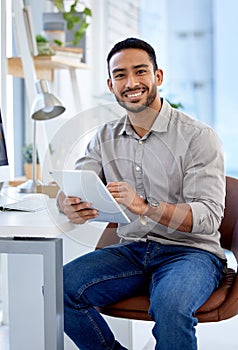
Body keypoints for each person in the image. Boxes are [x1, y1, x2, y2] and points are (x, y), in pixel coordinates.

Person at [58, 38, 227, 350]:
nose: (131, 82)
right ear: (111, 84)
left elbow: (208, 216)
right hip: (133, 249)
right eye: (120, 75)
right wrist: (69, 204)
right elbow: (77, 183)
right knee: (60, 288)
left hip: (191, 252)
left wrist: (145, 206)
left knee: (171, 306)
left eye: (140, 72)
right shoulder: (105, 136)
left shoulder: (198, 137)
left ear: (158, 76)